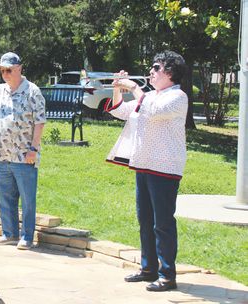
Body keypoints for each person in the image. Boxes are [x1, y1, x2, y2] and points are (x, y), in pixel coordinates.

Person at [105, 50, 188, 292]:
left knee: (162, 223)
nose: (150, 72)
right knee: (145, 220)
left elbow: (154, 110)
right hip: (143, 165)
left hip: (164, 168)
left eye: (156, 68)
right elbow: (119, 111)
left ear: (169, 73)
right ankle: (148, 268)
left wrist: (132, 86)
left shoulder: (178, 96)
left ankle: (167, 275)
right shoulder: (150, 96)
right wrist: (118, 88)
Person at [0, 52, 46, 250]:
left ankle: (27, 236)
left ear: (19, 68)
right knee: (5, 197)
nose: (5, 73)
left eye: (9, 70)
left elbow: (39, 122)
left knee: (27, 200)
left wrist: (34, 149)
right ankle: (9, 233)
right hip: (2, 154)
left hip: (24, 155)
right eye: (2, 70)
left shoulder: (32, 91)